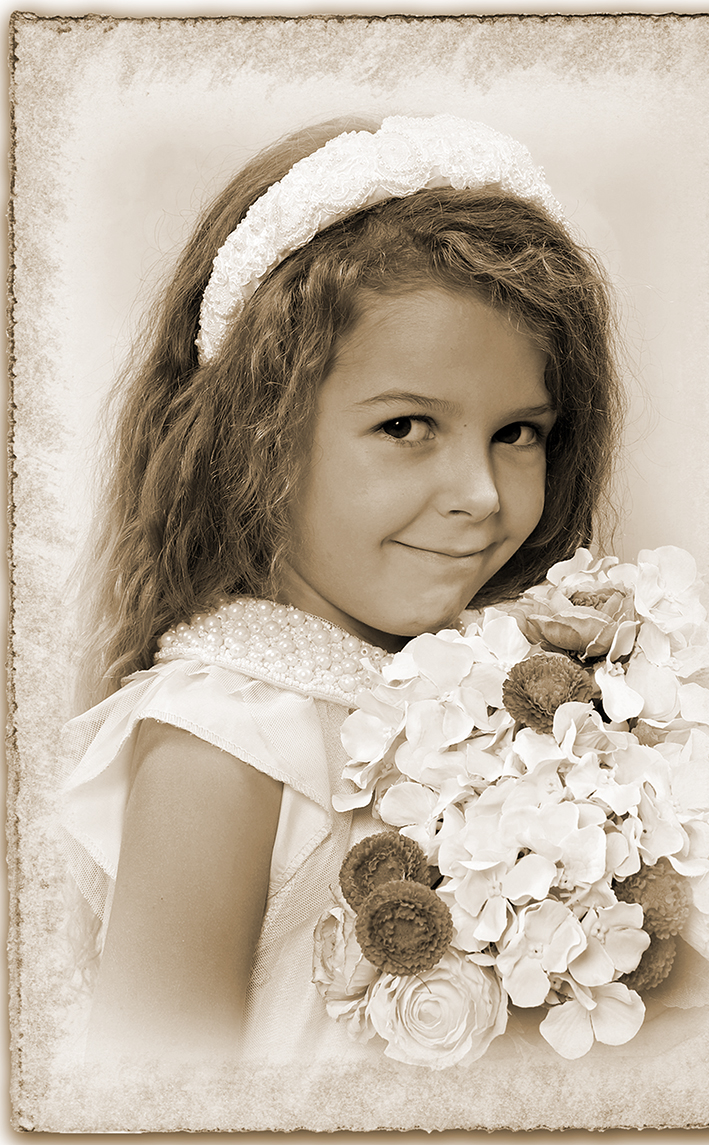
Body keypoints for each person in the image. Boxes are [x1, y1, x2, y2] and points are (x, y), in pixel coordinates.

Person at [60, 113, 624, 1067]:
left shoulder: (488, 697)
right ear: (254, 433)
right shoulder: (224, 745)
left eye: (518, 432)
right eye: (406, 426)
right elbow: (149, 1106)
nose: (482, 494)